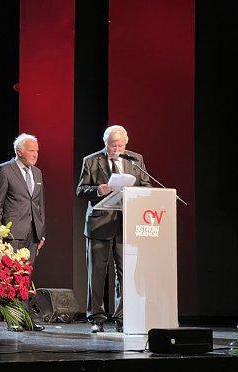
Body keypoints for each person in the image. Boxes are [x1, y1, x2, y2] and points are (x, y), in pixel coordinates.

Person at [76, 124, 152, 333]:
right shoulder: (91, 161)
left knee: (125, 274)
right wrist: (99, 189)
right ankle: (96, 319)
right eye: (112, 145)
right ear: (105, 143)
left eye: (120, 145)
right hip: (99, 224)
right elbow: (81, 191)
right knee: (97, 274)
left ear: (126, 144)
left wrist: (133, 191)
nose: (116, 149)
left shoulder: (135, 159)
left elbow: (147, 185)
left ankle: (122, 318)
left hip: (125, 224)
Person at [0, 133, 46, 331]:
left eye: (37, 151)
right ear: (19, 151)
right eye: (31, 150)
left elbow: (40, 205)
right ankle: (12, 319)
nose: (35, 154)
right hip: (12, 232)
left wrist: (42, 232)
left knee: (26, 277)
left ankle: (25, 318)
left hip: (33, 232)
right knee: (11, 276)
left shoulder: (37, 173)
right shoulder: (5, 170)